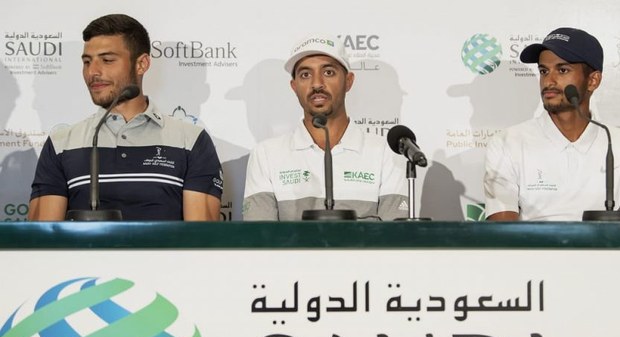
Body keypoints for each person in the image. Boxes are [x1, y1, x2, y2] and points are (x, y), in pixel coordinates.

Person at [29, 14, 223, 221]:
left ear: (141, 64)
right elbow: (43, 235)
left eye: (107, 60)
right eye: (87, 62)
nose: (92, 71)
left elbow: (200, 236)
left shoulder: (191, 140)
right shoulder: (61, 143)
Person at [484, 27, 620, 221]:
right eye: (544, 71)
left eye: (562, 70)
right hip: (529, 243)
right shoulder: (506, 142)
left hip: (606, 243)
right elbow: (502, 231)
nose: (549, 81)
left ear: (593, 80)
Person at [242, 35, 408, 221]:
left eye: (328, 72)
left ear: (348, 81)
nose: (317, 84)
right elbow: (261, 234)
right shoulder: (266, 154)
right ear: (294, 86)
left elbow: (394, 233)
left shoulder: (385, 153)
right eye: (305, 75)